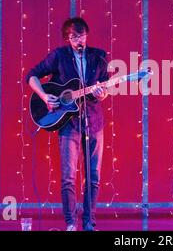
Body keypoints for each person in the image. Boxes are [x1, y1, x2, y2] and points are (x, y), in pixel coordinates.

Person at [26, 17, 109, 231]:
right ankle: (71, 223)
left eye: (81, 35)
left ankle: (89, 222)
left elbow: (103, 89)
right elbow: (32, 75)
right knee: (68, 176)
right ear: (67, 38)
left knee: (93, 175)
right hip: (67, 123)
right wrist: (45, 97)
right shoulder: (59, 56)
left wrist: (101, 94)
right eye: (73, 36)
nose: (78, 40)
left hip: (94, 121)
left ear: (86, 35)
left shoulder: (98, 58)